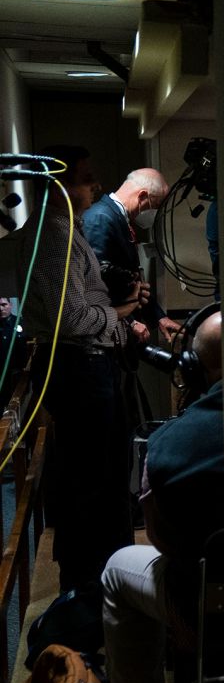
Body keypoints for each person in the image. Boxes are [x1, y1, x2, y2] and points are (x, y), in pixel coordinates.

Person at [21, 146, 149, 595]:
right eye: (86, 178)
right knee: (94, 481)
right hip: (82, 370)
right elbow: (71, 317)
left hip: (88, 367)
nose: (95, 185)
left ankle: (101, 577)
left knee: (101, 477)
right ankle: (96, 585)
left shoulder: (64, 229)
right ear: (58, 184)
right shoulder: (55, 233)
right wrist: (118, 314)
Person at [100, 310, 224, 683]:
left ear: (192, 370)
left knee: (118, 569)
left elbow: (162, 541)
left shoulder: (168, 446)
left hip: (209, 619)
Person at [81, 167, 180, 345]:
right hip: (107, 332)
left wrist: (158, 317)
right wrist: (129, 321)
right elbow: (97, 283)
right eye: (156, 206)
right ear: (142, 196)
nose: (155, 214)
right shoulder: (101, 219)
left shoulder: (118, 218)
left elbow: (132, 282)